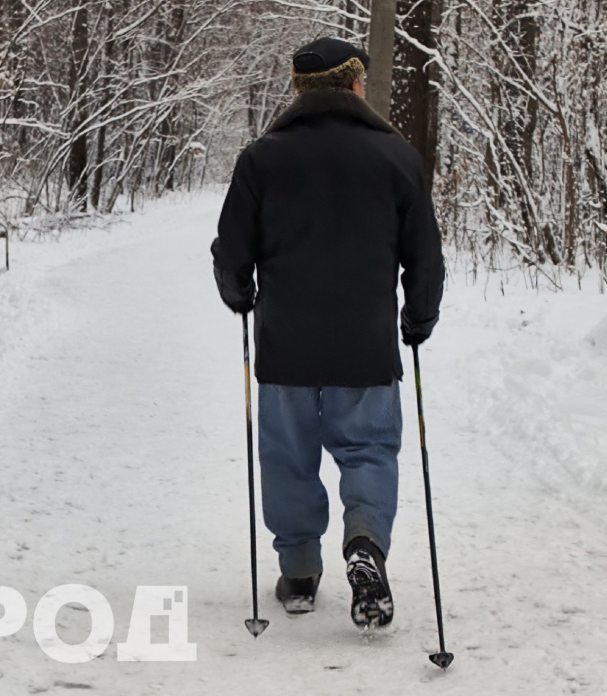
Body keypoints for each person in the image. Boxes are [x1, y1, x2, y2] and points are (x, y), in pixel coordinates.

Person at [210, 36, 445, 629]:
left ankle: (298, 573)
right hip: (365, 348)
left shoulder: (262, 158)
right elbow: (425, 256)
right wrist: (419, 316)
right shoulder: (396, 158)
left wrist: (240, 295)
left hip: (286, 347)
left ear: (300, 89)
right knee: (368, 450)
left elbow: (231, 249)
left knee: (289, 458)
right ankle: (365, 542)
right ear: (354, 84)